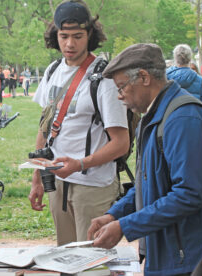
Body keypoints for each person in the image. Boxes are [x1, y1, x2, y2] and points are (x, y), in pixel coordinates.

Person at [87, 43, 202, 276]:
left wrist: (126, 225)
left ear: (143, 77)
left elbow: (188, 195)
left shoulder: (183, 118)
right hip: (167, 255)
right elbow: (149, 184)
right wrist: (115, 213)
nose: (119, 95)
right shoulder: (153, 116)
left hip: (187, 260)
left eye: (121, 86)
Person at [29, 0, 129, 246]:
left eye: (78, 36)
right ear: (56, 35)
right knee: (65, 258)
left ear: (90, 35)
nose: (70, 44)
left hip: (93, 186)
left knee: (92, 263)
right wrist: (36, 178)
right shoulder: (52, 71)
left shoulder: (103, 78)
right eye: (64, 36)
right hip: (58, 182)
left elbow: (121, 143)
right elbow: (45, 128)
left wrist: (80, 164)